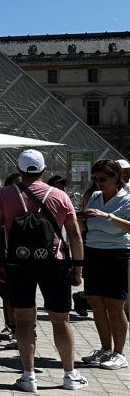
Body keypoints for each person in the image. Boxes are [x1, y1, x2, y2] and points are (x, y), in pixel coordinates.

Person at [0, 149, 86, 392]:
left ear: (19, 170)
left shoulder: (5, 194)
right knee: (61, 320)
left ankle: (28, 376)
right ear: (44, 170)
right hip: (54, 262)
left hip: (18, 263)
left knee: (23, 321)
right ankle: (69, 375)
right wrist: (77, 268)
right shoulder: (61, 195)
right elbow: (74, 235)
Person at [76, 158, 130, 369]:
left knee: (115, 305)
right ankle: (105, 349)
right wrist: (81, 218)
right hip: (93, 252)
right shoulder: (95, 196)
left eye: (102, 179)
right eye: (95, 179)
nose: (98, 183)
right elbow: (87, 223)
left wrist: (107, 216)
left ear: (116, 177)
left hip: (117, 253)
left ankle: (119, 353)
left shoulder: (127, 199)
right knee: (96, 304)